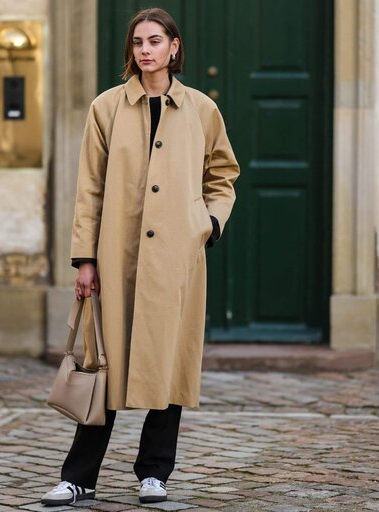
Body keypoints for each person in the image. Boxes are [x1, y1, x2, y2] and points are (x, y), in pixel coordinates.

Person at [41, 7, 240, 507]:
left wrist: (208, 223)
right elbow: (89, 189)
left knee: (169, 364)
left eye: (155, 41)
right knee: (105, 365)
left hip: (177, 259)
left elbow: (223, 175)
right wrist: (85, 259)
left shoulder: (201, 110)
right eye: (137, 43)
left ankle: (155, 473)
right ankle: (79, 476)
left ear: (174, 47)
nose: (145, 50)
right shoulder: (106, 108)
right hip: (116, 257)